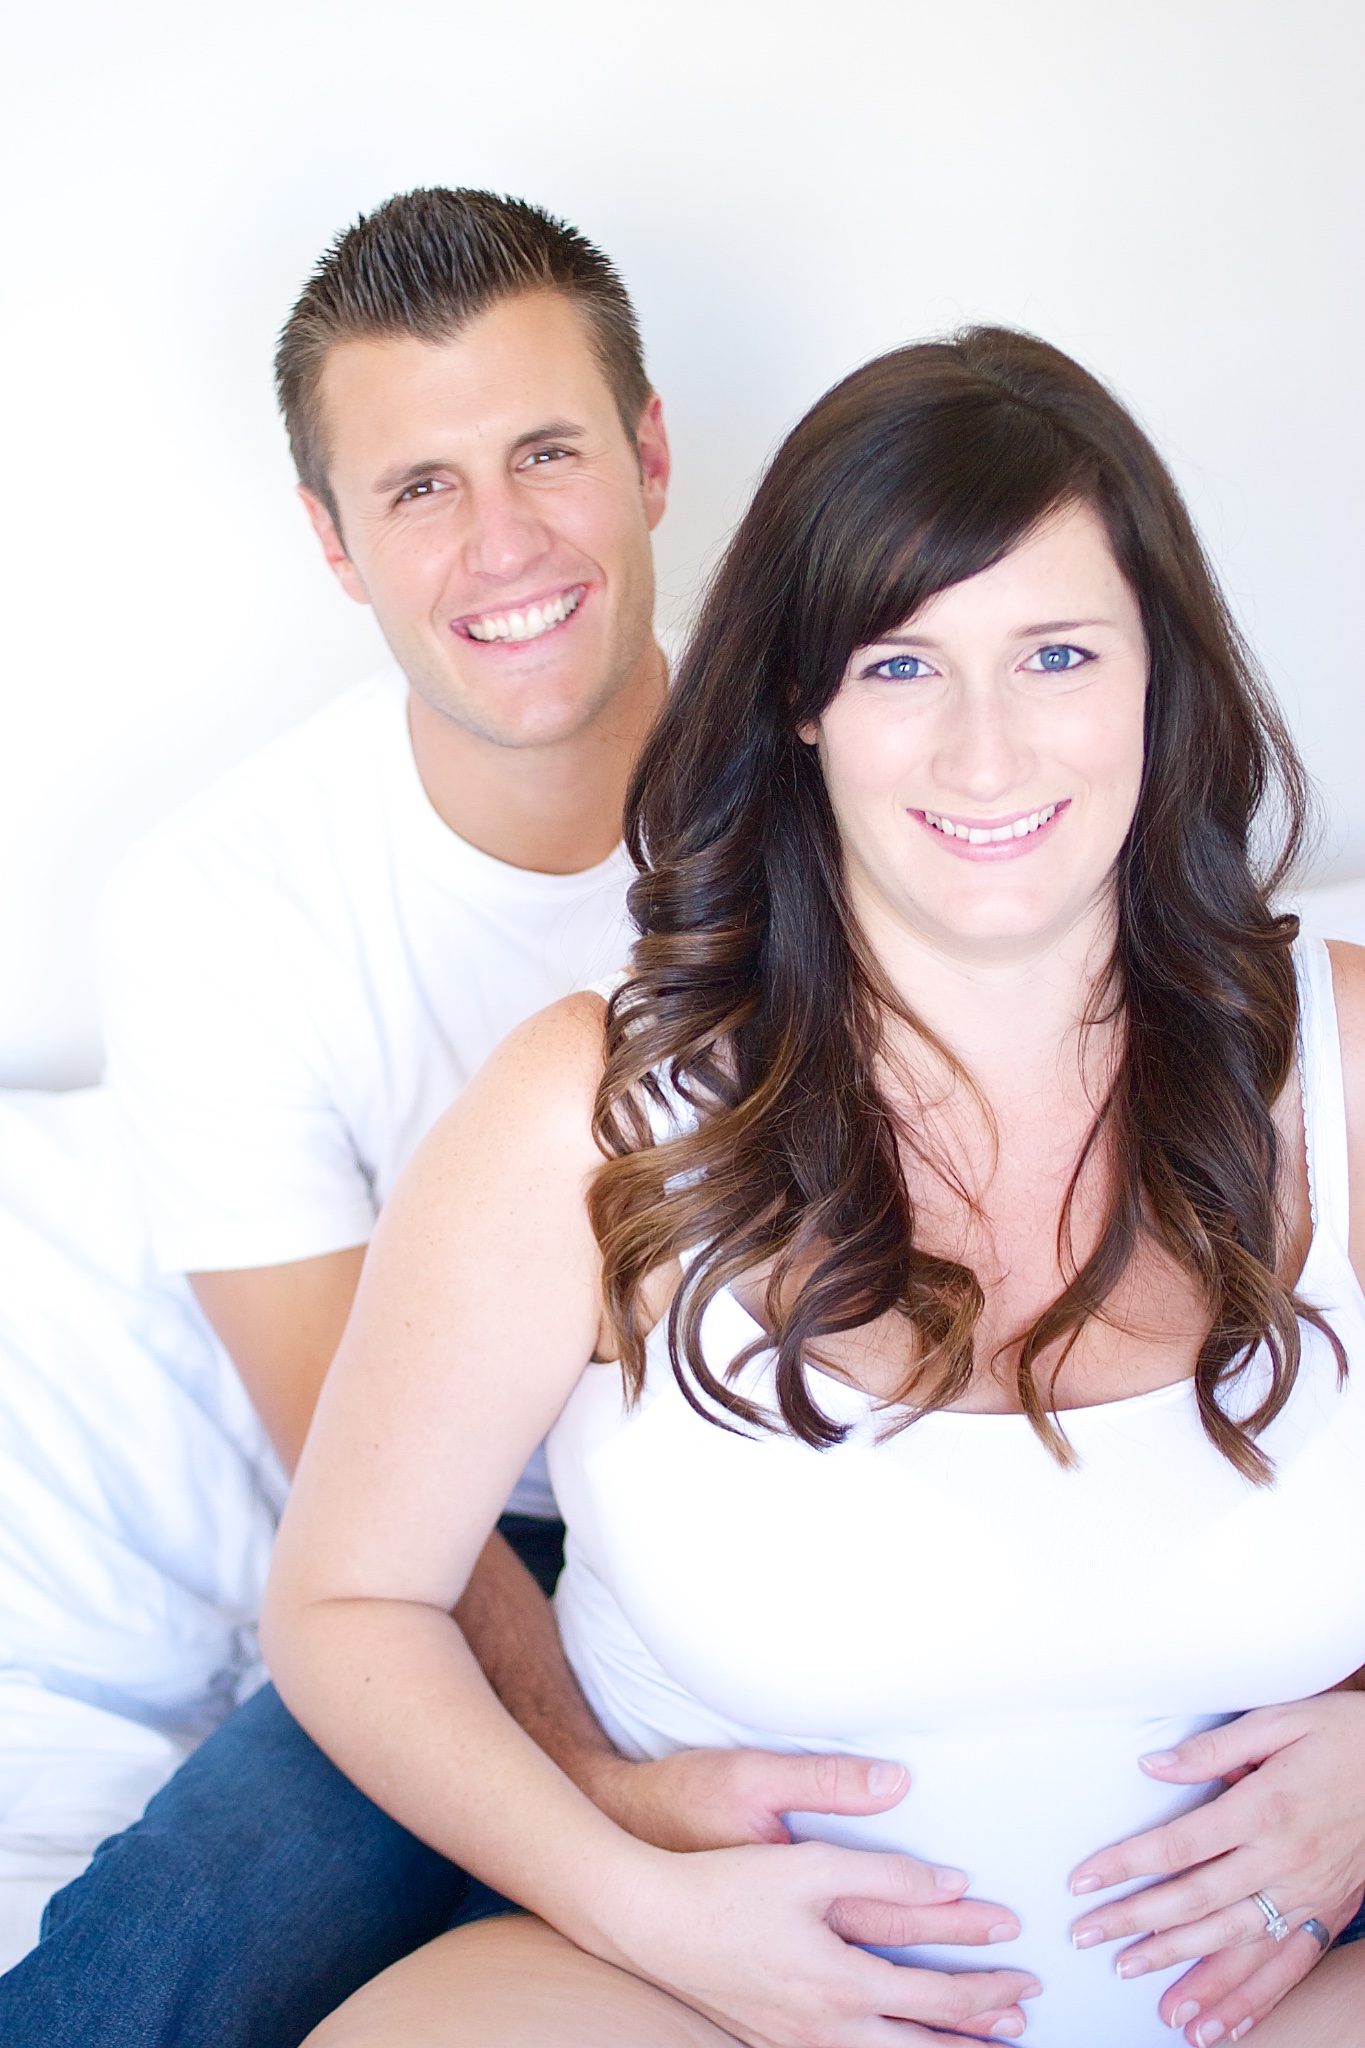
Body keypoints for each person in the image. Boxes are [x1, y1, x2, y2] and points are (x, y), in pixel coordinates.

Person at [262, 328, 1365, 2048]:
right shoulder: (588, 1113)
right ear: (802, 703)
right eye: (900, 665)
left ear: (1159, 677)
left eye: (1057, 653)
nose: (985, 753)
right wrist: (637, 1902)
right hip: (708, 2011)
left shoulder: (1343, 1057)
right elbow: (348, 1605)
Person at [0, 189, 926, 2045]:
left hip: (844, 1489)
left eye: (545, 452)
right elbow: (351, 1462)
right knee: (161, 1955)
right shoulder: (221, 905)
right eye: (419, 486)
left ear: (649, 456)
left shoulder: (878, 779)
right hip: (470, 1556)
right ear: (332, 543)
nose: (500, 541)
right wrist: (600, 1795)